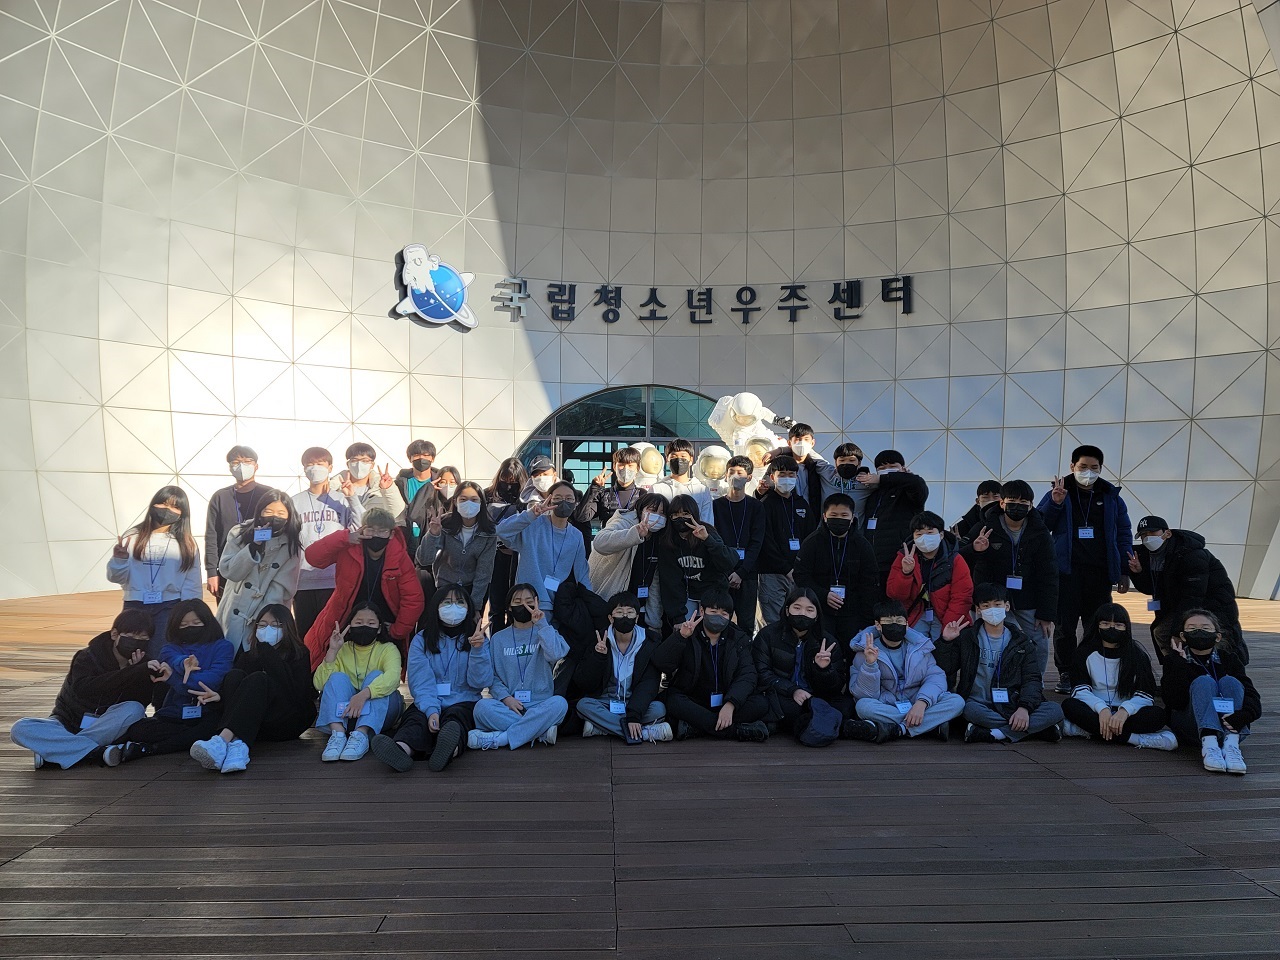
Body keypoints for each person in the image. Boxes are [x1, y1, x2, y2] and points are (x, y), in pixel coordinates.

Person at [1038, 444, 1134, 693]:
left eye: (1094, 467)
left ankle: (1091, 671)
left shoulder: (1111, 496)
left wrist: (1123, 570)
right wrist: (1055, 503)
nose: (1088, 472)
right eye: (1083, 467)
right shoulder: (1058, 492)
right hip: (1066, 573)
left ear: (1101, 469)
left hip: (1099, 573)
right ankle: (1067, 672)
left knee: (1097, 625)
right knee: (1065, 628)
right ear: (1072, 466)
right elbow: (1040, 526)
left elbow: (1124, 533)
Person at [9, 610, 157, 769]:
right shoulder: (88, 657)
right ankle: (96, 752)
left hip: (105, 727)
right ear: (114, 634)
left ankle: (59, 751)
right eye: (131, 637)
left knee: (135, 709)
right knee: (20, 728)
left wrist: (140, 675)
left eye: (143, 639)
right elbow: (84, 689)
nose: (137, 643)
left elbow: (140, 702)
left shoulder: (144, 665)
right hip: (68, 722)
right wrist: (131, 672)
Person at [371, 585, 490, 772]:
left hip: (464, 701)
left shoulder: (478, 639)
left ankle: (448, 751)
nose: (453, 607)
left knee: (456, 721)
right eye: (447, 602)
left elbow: (480, 683)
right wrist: (431, 710)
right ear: (436, 606)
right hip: (429, 699)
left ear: (469, 608)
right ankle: (401, 750)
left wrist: (477, 651)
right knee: (416, 719)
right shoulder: (422, 639)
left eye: (460, 602)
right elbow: (421, 682)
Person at [187, 604, 318, 773]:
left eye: (275, 625)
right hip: (256, 725)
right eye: (262, 625)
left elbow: (295, 693)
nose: (267, 629)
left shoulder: (299, 654)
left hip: (287, 721)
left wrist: (266, 650)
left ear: (287, 627)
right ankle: (238, 745)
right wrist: (220, 697)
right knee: (235, 675)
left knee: (259, 679)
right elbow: (240, 694)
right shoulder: (249, 656)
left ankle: (222, 741)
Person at [102, 600, 236, 764]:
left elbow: (212, 681)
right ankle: (132, 747)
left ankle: (148, 749)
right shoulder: (169, 648)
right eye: (184, 624)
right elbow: (172, 659)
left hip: (207, 713)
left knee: (208, 730)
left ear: (207, 622)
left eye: (196, 623)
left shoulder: (223, 646)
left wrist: (175, 679)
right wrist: (183, 663)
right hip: (174, 714)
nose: (190, 627)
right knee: (139, 729)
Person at [300, 507, 425, 668]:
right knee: (336, 663)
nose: (376, 535)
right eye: (371, 529)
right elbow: (313, 557)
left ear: (391, 534)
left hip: (383, 622)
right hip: (346, 618)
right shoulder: (349, 548)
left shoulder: (400, 557)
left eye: (382, 531)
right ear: (362, 529)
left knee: (380, 667)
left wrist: (398, 630)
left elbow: (413, 598)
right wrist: (344, 537)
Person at [937, 584, 1063, 744]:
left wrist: (1024, 708)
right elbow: (945, 668)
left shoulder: (1021, 641)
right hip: (977, 703)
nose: (992, 610)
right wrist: (946, 642)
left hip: (1012, 703)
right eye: (986, 606)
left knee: (1055, 710)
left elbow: (1032, 679)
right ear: (978, 610)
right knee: (966, 709)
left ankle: (995, 733)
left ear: (1007, 606)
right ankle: (1035, 730)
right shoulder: (967, 637)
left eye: (997, 605)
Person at [962, 480, 1057, 673]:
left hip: (1028, 597)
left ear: (1031, 505)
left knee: (1039, 639)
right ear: (1002, 503)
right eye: (1012, 501)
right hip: (994, 598)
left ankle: (1035, 682)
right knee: (1000, 640)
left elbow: (1049, 573)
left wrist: (1046, 614)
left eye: (1023, 502)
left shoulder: (1040, 532)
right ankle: (999, 681)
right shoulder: (985, 528)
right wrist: (975, 549)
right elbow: (960, 560)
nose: (1017, 506)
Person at [652, 592, 772, 742]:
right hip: (694, 699)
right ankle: (735, 731)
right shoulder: (689, 632)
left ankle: (697, 727)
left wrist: (731, 704)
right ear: (702, 611)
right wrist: (680, 637)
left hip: (726, 700)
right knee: (673, 700)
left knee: (761, 703)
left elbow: (747, 675)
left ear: (730, 616)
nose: (718, 617)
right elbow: (661, 663)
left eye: (724, 614)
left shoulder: (738, 638)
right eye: (713, 612)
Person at [1127, 515, 1245, 664]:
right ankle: (1176, 668)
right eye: (1143, 535)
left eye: (1152, 533)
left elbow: (1193, 596)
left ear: (1167, 533)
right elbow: (1151, 588)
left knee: (1210, 639)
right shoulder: (1149, 556)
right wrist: (1138, 573)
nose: (1147, 538)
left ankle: (1224, 670)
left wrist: (1177, 631)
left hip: (1213, 606)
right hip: (1182, 606)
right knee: (1161, 632)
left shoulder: (1191, 554)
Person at [1060, 604, 1176, 751]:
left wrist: (1124, 711)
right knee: (1069, 705)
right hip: (1095, 710)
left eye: (1118, 625)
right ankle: (1134, 738)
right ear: (1097, 626)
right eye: (1105, 624)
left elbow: (1145, 694)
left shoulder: (1137, 655)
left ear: (1126, 627)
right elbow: (1080, 690)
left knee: (1158, 715)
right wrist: (1102, 709)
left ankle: (1087, 730)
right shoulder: (1084, 653)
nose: (1112, 628)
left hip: (1127, 713)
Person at [847, 600, 964, 743]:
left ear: (907, 624)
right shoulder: (866, 650)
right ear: (878, 625)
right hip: (887, 704)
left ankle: (898, 729)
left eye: (899, 621)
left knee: (957, 702)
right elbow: (864, 694)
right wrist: (870, 665)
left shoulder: (919, 646)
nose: (894, 625)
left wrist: (922, 703)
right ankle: (928, 725)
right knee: (863, 706)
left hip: (917, 699)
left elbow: (935, 676)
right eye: (888, 621)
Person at [1161, 609, 1261, 775]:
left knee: (1230, 681)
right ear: (1183, 636)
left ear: (1217, 636)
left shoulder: (1229, 659)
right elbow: (1174, 701)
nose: (1199, 632)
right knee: (1204, 682)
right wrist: (1180, 665)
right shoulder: (1174, 660)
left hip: (1230, 724)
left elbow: (1251, 694)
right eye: (1192, 628)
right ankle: (1209, 745)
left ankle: (1231, 745)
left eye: (1205, 628)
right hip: (1193, 727)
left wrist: (1244, 715)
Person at [470, 585, 569, 749]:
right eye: (517, 601)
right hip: (509, 706)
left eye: (529, 601)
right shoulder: (498, 639)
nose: (523, 605)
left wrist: (542, 625)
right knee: (481, 708)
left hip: (540, 705)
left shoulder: (546, 631)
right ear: (509, 607)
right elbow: (492, 677)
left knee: (560, 704)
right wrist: (505, 698)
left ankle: (502, 738)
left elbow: (556, 654)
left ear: (537, 604)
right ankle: (539, 731)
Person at [106, 485, 202, 656]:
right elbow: (116, 577)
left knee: (161, 652)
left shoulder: (186, 543)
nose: (167, 510)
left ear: (183, 512)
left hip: (169, 606)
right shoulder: (132, 536)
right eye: (163, 503)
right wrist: (119, 560)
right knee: (129, 651)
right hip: (135, 603)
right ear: (153, 504)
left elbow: (191, 582)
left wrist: (190, 610)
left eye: (175, 506)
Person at [753, 586, 853, 744]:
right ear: (787, 610)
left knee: (846, 706)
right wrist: (792, 690)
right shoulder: (768, 635)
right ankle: (831, 726)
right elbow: (762, 673)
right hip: (783, 694)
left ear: (817, 615)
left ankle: (797, 724)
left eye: (809, 610)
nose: (803, 614)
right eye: (797, 608)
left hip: (815, 697)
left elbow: (836, 686)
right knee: (769, 705)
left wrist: (824, 669)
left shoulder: (827, 641)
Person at [313, 601, 405, 761]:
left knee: (377, 675)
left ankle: (361, 735)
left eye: (371, 623)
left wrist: (363, 695)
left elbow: (393, 678)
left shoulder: (388, 648)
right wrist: (332, 651)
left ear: (379, 628)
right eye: (359, 622)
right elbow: (319, 684)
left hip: (381, 713)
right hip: (346, 715)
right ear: (350, 626)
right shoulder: (342, 649)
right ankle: (338, 735)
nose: (364, 626)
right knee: (336, 678)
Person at [575, 592, 671, 742]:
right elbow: (585, 683)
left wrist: (634, 715)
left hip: (634, 703)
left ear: (637, 618)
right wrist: (598, 657)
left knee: (659, 709)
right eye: (619, 612)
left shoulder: (650, 642)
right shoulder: (599, 639)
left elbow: (649, 683)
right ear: (610, 618)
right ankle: (643, 733)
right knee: (583, 705)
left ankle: (604, 727)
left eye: (630, 613)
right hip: (606, 703)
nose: (625, 617)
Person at [215, 489, 302, 652]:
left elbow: (281, 589)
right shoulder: (239, 533)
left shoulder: (290, 546)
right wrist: (253, 547)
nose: (274, 517)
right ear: (259, 512)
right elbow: (229, 572)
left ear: (289, 516)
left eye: (281, 513)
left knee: (256, 657)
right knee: (228, 656)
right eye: (268, 511)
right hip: (234, 612)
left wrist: (261, 623)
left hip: (264, 618)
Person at [291, 447, 364, 640]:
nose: (315, 468)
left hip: (335, 580)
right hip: (303, 581)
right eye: (310, 464)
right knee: (306, 636)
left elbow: (360, 527)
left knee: (333, 635)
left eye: (320, 464)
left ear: (330, 467)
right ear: (304, 469)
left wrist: (352, 498)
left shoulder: (342, 499)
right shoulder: (294, 502)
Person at [793, 493, 878, 643]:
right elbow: (801, 575)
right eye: (834, 515)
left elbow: (869, 584)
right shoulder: (812, 542)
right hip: (820, 611)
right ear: (825, 516)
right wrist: (823, 594)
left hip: (852, 614)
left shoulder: (862, 545)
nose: (839, 519)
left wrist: (866, 622)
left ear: (852, 518)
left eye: (844, 515)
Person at [494, 481, 591, 611]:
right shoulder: (532, 525)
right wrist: (530, 514)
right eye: (558, 498)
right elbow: (501, 531)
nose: (564, 502)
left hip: (556, 605)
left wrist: (590, 602)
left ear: (575, 503)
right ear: (549, 501)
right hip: (527, 602)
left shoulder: (576, 536)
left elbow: (582, 572)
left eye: (569, 498)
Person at [885, 511, 973, 643]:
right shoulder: (905, 556)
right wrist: (905, 573)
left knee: (941, 648)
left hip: (944, 615)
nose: (924, 538)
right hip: (915, 614)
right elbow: (895, 595)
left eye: (930, 532)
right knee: (915, 648)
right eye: (919, 534)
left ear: (941, 535)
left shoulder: (955, 559)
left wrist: (947, 629)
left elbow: (962, 597)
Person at [755, 455, 818, 630]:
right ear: (772, 477)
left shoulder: (802, 504)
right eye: (782, 474)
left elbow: (811, 538)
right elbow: (766, 542)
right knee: (773, 623)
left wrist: (800, 568)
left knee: (798, 621)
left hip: (798, 574)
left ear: (797, 477)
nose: (787, 478)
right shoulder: (765, 504)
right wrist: (786, 568)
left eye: (791, 474)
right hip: (772, 573)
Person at [656, 495, 738, 628]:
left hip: (713, 594)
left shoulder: (707, 531)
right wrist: (678, 617)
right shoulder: (668, 540)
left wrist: (707, 539)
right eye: (675, 515)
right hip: (687, 596)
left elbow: (729, 561)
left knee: (713, 629)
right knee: (686, 630)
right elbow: (670, 582)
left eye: (685, 514)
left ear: (694, 514)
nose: (680, 518)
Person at [591, 492, 669, 628]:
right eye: (652, 510)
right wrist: (635, 533)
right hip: (609, 602)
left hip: (638, 607)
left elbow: (654, 581)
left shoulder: (659, 538)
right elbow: (600, 543)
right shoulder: (624, 521)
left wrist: (654, 622)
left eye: (662, 513)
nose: (657, 516)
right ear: (641, 509)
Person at [416, 481, 498, 610]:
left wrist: (475, 607)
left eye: (474, 500)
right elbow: (424, 559)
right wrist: (433, 534)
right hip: (444, 587)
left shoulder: (489, 532)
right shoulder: (444, 523)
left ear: (481, 503)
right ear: (455, 501)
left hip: (472, 589)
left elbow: (484, 572)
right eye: (463, 499)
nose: (469, 504)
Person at [858, 450, 930, 589]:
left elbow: (917, 484)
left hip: (900, 559)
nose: (887, 470)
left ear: (902, 468)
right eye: (882, 468)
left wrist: (891, 478)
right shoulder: (874, 494)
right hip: (874, 562)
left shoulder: (908, 490)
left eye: (892, 466)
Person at [712, 456, 765, 633]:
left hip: (747, 574)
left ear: (749, 477)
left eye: (740, 473)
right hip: (722, 575)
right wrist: (728, 572)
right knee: (719, 622)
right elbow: (714, 541)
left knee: (746, 624)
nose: (735, 476)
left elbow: (757, 543)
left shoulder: (756, 507)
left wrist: (741, 573)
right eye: (732, 472)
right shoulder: (715, 506)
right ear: (726, 476)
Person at [204, 445, 260, 601]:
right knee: (227, 611)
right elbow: (211, 536)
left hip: (259, 565)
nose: (241, 466)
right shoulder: (220, 497)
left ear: (256, 466)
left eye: (247, 461)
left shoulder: (268, 494)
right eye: (236, 462)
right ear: (230, 468)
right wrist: (211, 572)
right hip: (227, 567)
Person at [486, 457, 528, 630]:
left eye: (513, 481)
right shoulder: (488, 495)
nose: (509, 485)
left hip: (518, 558)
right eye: (505, 480)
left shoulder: (526, 499)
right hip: (495, 556)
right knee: (496, 606)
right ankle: (496, 639)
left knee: (516, 604)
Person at [403, 463, 462, 584]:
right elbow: (412, 515)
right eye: (443, 482)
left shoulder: (462, 508)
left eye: (452, 482)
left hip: (453, 568)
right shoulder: (429, 507)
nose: (448, 486)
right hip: (428, 567)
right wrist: (427, 488)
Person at [575, 446, 644, 533]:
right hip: (608, 540)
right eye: (621, 465)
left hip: (635, 540)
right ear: (614, 467)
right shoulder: (604, 494)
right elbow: (581, 517)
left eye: (630, 465)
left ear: (637, 468)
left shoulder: (643, 495)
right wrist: (594, 488)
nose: (626, 469)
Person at [650, 438, 715, 519]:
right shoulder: (657, 489)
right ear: (667, 460)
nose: (679, 460)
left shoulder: (702, 491)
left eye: (683, 456)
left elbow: (707, 521)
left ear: (691, 460)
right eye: (674, 456)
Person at [337, 442, 406, 516]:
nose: (359, 464)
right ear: (348, 464)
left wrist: (388, 489)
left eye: (365, 461)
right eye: (354, 460)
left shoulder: (380, 487)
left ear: (372, 465)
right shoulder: (335, 488)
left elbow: (397, 513)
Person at [394, 438, 439, 550]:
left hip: (433, 539)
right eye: (417, 455)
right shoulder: (401, 483)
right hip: (405, 541)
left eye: (426, 455)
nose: (421, 458)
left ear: (432, 458)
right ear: (410, 458)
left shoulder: (440, 482)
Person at [815, 442, 872, 521]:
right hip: (826, 527)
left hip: (856, 528)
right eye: (842, 460)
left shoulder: (867, 482)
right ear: (836, 463)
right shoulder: (828, 474)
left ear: (859, 463)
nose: (846, 463)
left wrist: (876, 478)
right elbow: (810, 453)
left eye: (851, 460)